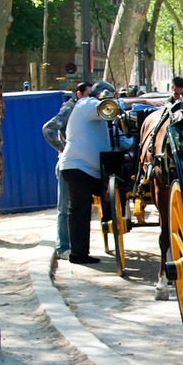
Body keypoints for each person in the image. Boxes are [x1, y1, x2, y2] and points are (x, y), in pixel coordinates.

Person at [58, 80, 133, 265]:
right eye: (108, 96)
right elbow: (110, 107)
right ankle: (78, 254)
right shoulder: (86, 103)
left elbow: (122, 140)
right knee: (78, 211)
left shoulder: (100, 116)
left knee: (83, 209)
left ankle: (87, 247)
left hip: (91, 170)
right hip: (78, 167)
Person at [42, 81, 92, 260]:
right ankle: (63, 247)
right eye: (88, 94)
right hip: (68, 162)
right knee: (64, 208)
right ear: (79, 94)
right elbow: (49, 129)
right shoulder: (70, 109)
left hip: (81, 162)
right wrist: (62, 147)